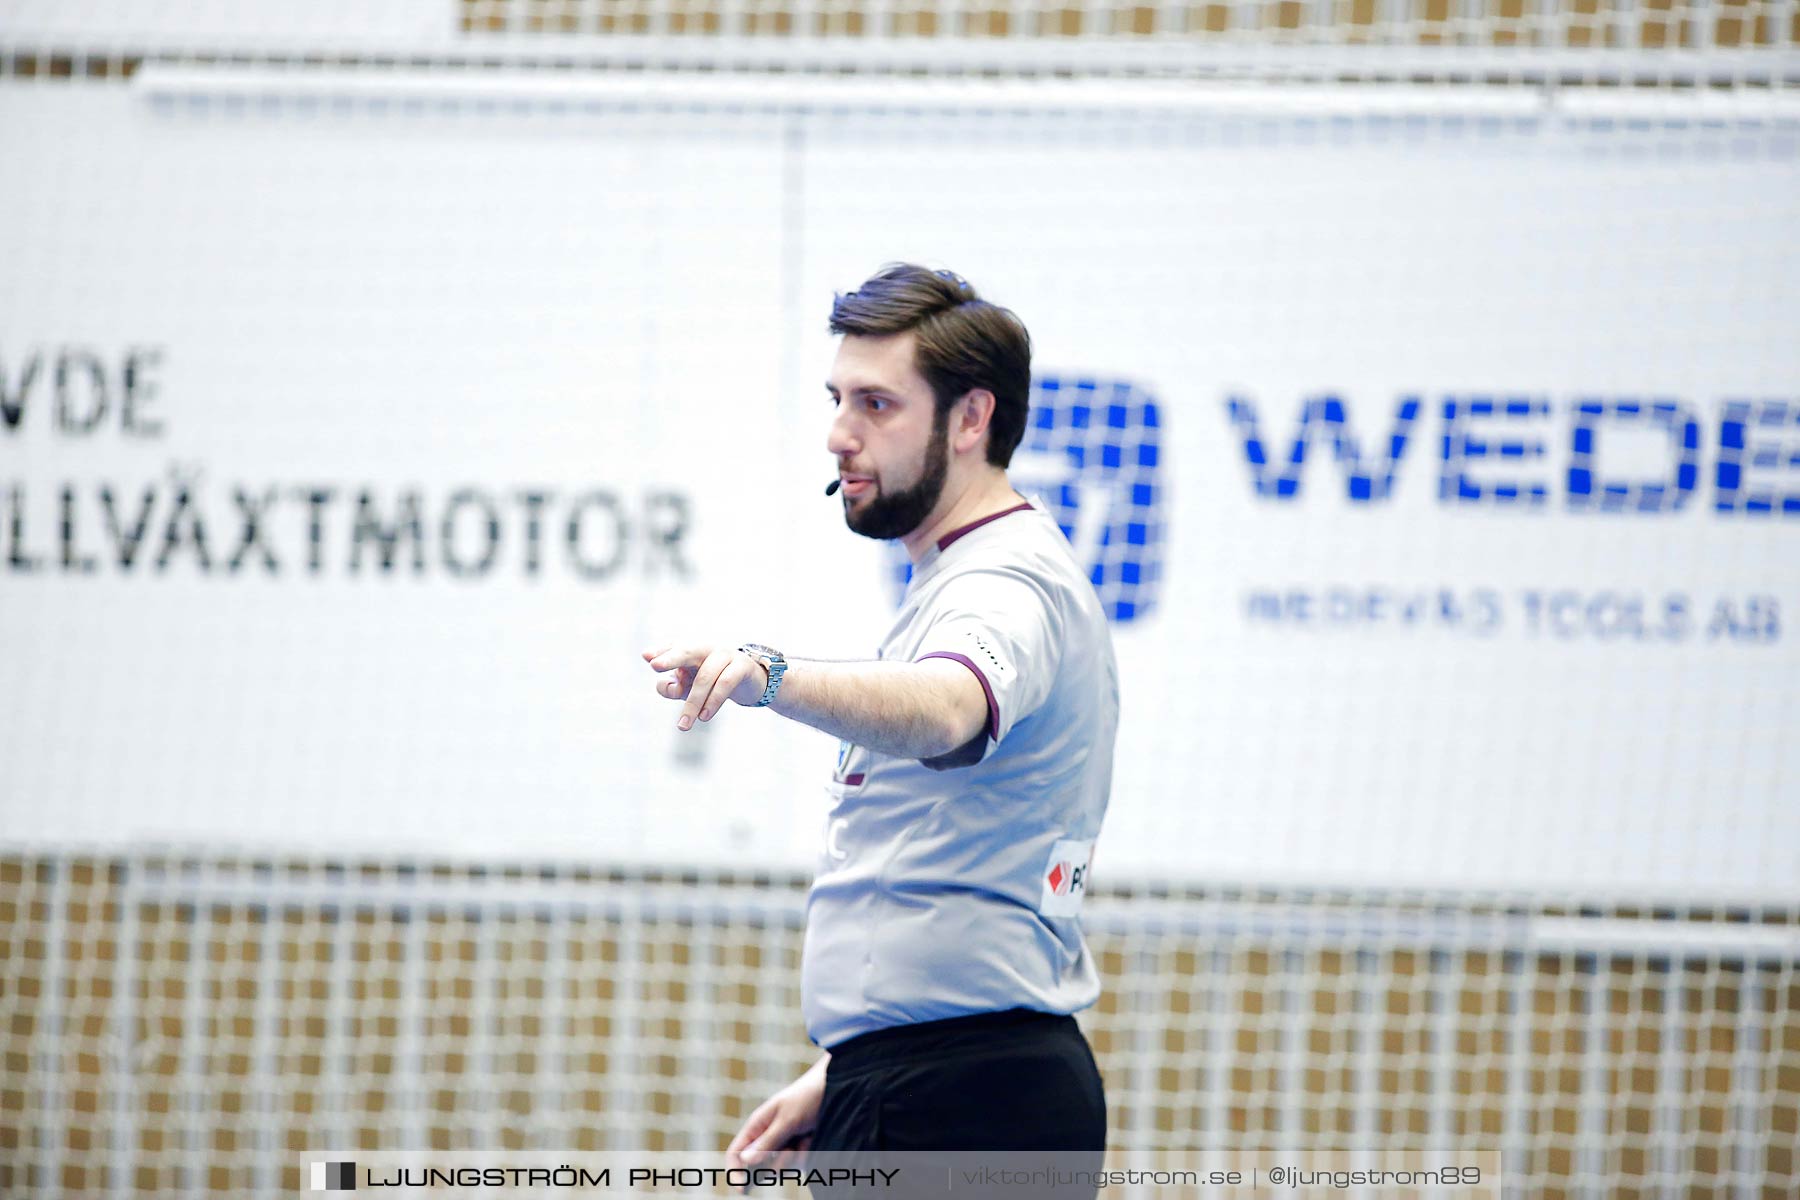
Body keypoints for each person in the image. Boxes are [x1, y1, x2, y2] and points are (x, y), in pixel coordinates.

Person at [642, 264, 1119, 1177]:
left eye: (876, 405)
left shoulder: (1004, 581)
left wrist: (773, 676)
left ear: (971, 419)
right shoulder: (960, 574)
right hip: (928, 1081)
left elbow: (947, 708)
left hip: (964, 1098)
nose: (838, 435)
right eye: (835, 399)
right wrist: (850, 1066)